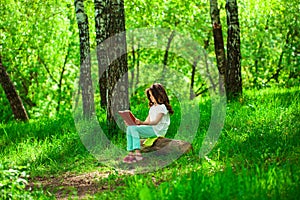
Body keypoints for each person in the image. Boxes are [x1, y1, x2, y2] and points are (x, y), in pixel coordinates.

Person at [123, 83, 174, 163]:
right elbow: (147, 121)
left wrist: (141, 123)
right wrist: (136, 122)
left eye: (152, 95)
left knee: (134, 129)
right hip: (151, 128)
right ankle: (130, 153)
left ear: (159, 95)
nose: (151, 98)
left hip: (157, 131)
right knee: (130, 128)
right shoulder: (152, 108)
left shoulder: (162, 107)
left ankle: (137, 153)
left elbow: (155, 122)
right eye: (150, 96)